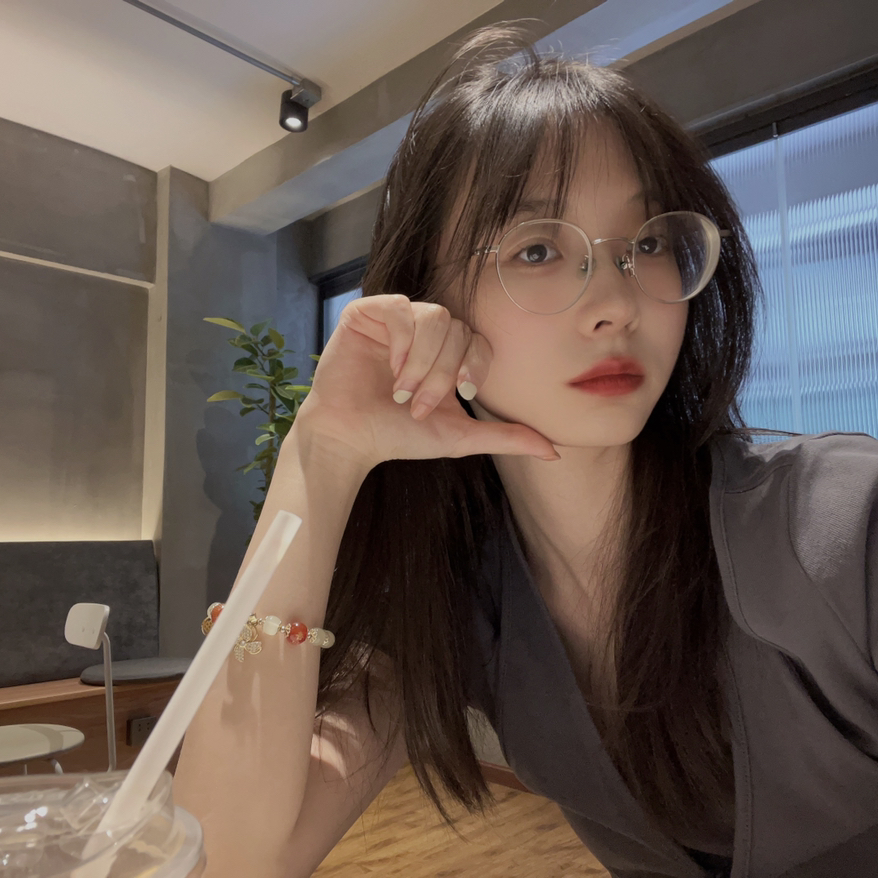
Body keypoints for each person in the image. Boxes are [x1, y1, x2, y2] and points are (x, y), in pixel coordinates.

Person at [171, 24, 878, 878]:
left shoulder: (843, 527)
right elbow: (232, 856)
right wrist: (318, 453)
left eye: (648, 244)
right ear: (429, 305)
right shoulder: (455, 603)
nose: (618, 301)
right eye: (538, 249)